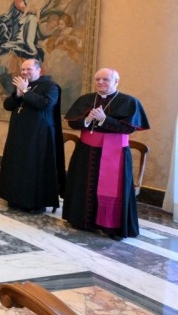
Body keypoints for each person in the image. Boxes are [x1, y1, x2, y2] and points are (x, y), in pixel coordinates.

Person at [62, 68, 149, 240]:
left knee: (114, 189)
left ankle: (111, 227)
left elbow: (129, 128)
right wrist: (87, 120)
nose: (100, 82)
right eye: (98, 79)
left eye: (105, 80)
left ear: (116, 82)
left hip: (115, 152)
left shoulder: (129, 102)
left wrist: (104, 119)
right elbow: (73, 123)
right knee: (83, 184)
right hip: (86, 150)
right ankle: (82, 221)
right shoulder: (86, 99)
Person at [0, 58, 65, 213]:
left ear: (39, 70)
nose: (24, 72)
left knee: (34, 168)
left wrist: (26, 91)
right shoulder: (22, 85)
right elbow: (8, 106)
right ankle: (15, 198)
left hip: (39, 136)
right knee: (17, 165)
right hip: (18, 134)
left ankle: (35, 203)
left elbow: (45, 104)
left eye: (29, 69)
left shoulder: (51, 86)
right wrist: (17, 95)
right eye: (23, 69)